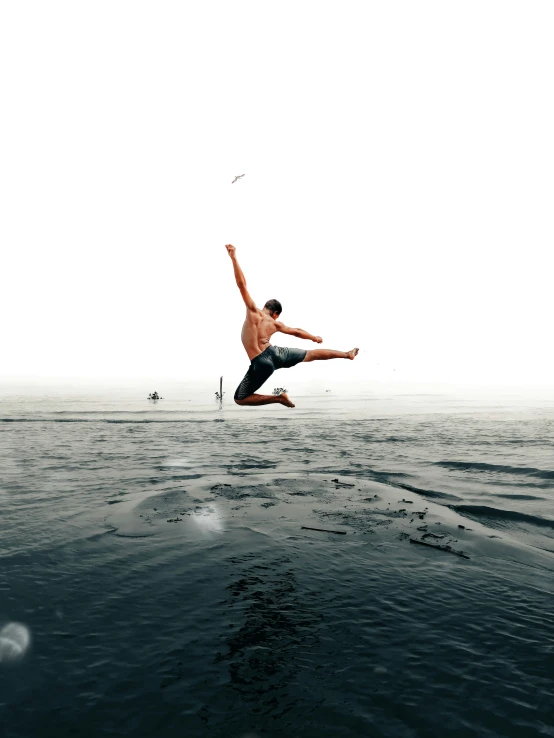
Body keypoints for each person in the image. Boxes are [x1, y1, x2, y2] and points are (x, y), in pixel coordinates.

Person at [226, 244, 359, 408]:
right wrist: (314, 337)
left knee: (240, 398)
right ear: (276, 313)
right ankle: (347, 354)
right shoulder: (275, 323)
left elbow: (242, 285)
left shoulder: (253, 311)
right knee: (311, 355)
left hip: (260, 363)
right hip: (275, 353)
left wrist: (233, 257)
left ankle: (279, 398)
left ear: (266, 307)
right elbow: (296, 331)